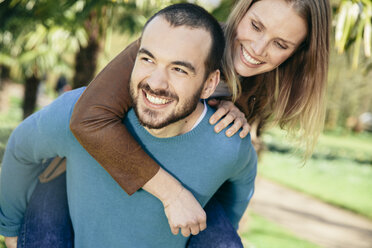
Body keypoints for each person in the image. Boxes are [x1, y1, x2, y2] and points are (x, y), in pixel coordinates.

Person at [0, 4, 257, 248]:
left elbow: (232, 203)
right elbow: (21, 147)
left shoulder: (230, 143)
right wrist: (10, 230)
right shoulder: (77, 112)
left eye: (179, 69)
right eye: (147, 59)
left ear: (210, 84)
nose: (156, 83)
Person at [69, 0, 331, 237]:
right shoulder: (179, 37)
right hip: (75, 177)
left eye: (280, 44)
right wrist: (172, 194)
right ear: (243, 10)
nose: (259, 48)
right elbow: (88, 119)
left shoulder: (262, 85)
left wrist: (234, 111)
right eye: (255, 26)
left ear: (299, 52)